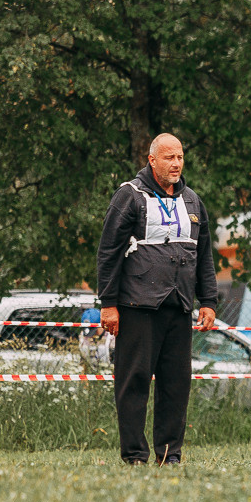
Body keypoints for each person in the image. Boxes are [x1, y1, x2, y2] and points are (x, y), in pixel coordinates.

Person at [96, 133, 217, 465]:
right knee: (133, 382)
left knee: (176, 385)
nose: (176, 164)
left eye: (180, 157)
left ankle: (169, 455)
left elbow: (204, 255)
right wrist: (108, 303)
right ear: (152, 160)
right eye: (169, 158)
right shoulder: (129, 196)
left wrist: (208, 301)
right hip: (137, 306)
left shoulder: (192, 201)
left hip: (179, 306)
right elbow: (108, 252)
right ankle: (135, 455)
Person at [78, 308, 114, 373]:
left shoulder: (112, 338)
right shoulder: (83, 337)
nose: (91, 336)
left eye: (94, 330)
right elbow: (82, 363)